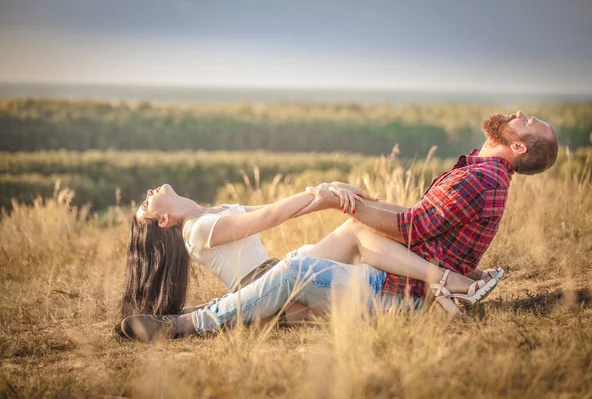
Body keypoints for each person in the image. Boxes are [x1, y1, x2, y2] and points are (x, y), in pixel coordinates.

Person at [120, 110, 555, 342]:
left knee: (296, 271)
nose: (519, 112)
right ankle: (204, 314)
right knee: (341, 239)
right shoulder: (480, 175)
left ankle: (186, 326)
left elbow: (412, 227)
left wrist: (335, 199)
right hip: (402, 284)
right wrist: (344, 199)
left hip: (405, 297)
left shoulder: (479, 178)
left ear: (517, 146)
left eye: (527, 120)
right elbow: (420, 221)